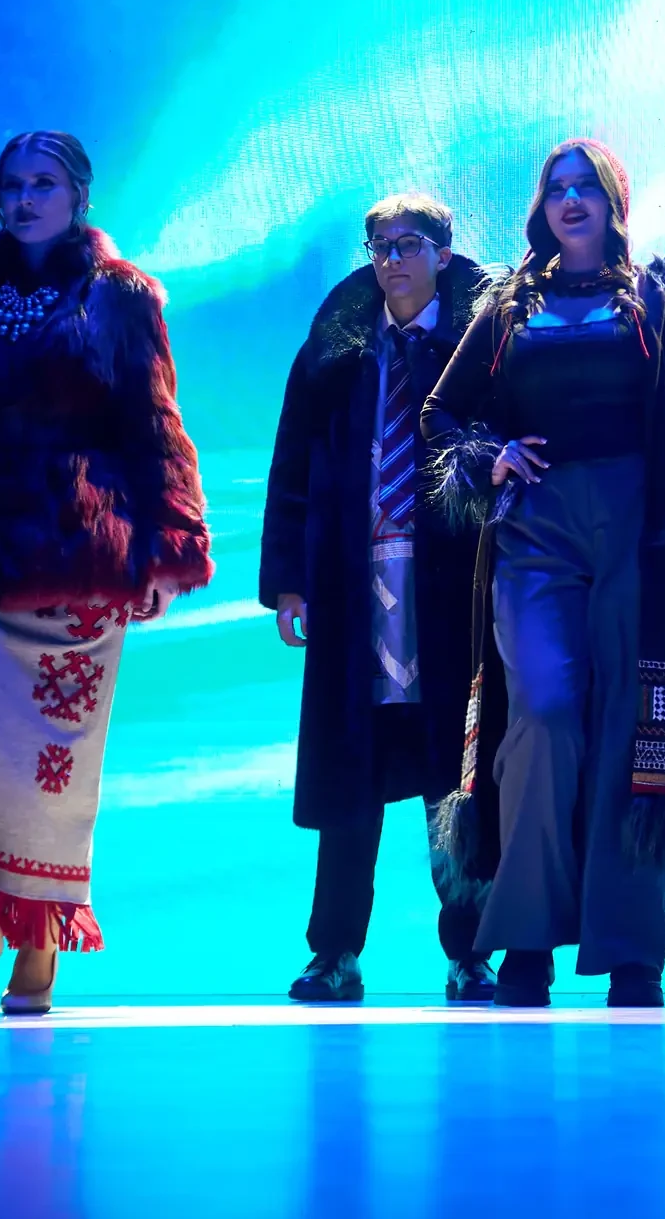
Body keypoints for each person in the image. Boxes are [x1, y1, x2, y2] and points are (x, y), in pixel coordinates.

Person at [0, 130, 214, 1014]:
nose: (25, 199)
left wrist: (170, 546)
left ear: (78, 195)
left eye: (43, 182)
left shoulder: (122, 296)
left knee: (53, 757)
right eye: (12, 184)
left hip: (78, 556)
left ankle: (35, 933)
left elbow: (154, 424)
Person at [420, 139, 665, 1008]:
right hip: (539, 528)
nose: (571, 200)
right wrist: (489, 455)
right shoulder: (510, 303)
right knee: (543, 708)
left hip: (643, 528)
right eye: (557, 188)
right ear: (542, 207)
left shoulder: (663, 297)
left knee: (632, 730)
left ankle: (631, 950)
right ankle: (526, 938)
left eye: (587, 187)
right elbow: (441, 411)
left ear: (615, 203)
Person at [260, 194, 494, 1003]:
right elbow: (292, 465)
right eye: (380, 245)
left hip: (448, 585)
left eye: (409, 243)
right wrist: (289, 579)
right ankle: (334, 953)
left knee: (452, 773)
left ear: (443, 251)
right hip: (352, 586)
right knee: (348, 777)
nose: (392, 259)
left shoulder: (482, 342)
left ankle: (471, 952)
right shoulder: (336, 348)